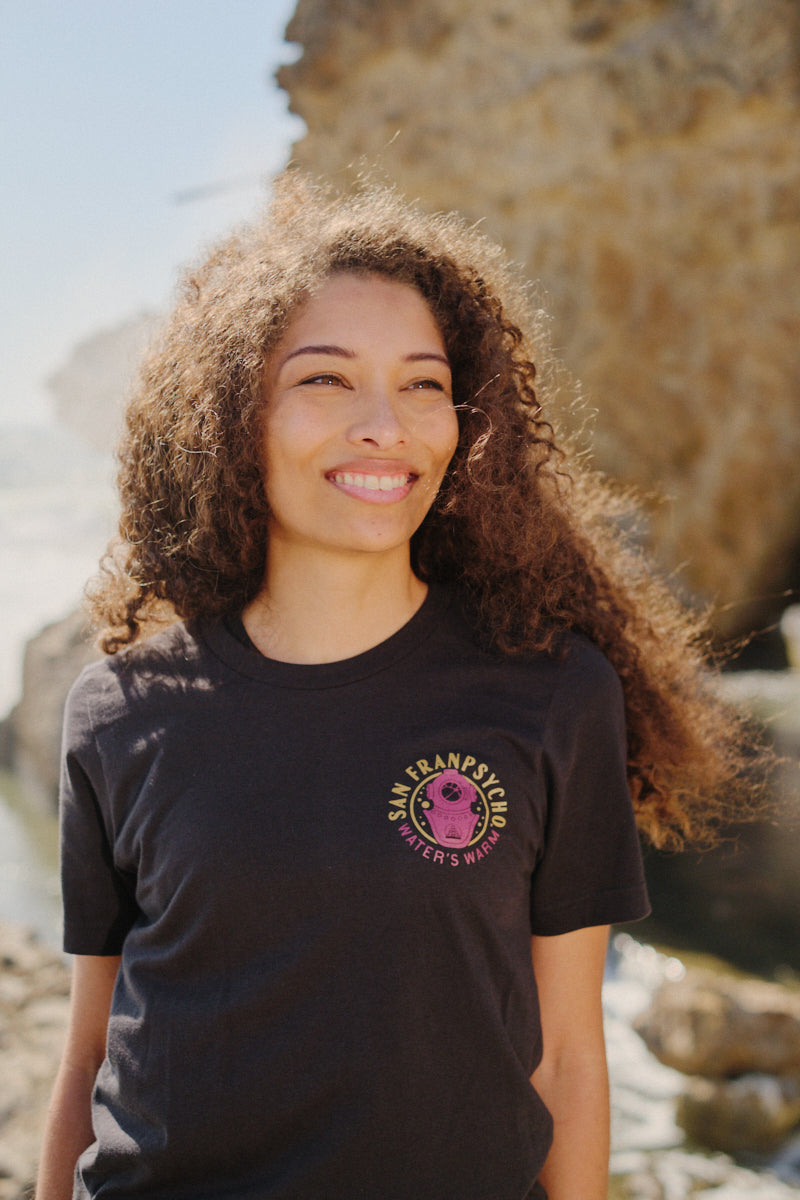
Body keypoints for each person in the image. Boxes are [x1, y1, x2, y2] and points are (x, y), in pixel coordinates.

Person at [38, 172, 763, 1200]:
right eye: (325, 380)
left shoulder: (551, 695)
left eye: (423, 384)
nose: (386, 424)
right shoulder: (119, 712)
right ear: (234, 412)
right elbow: (84, 1059)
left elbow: (565, 1058)